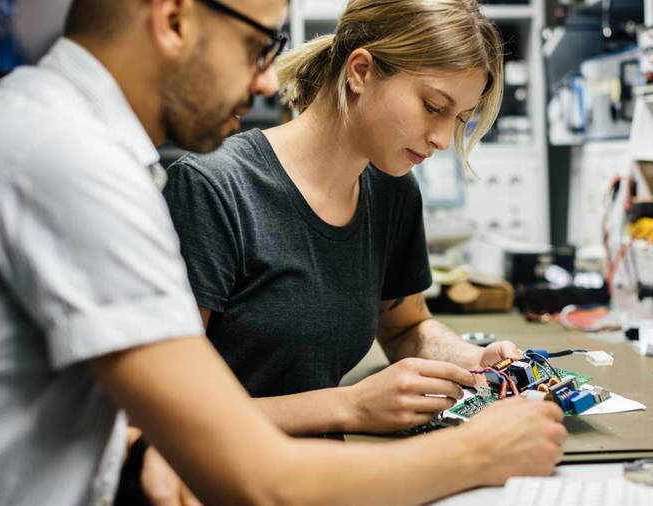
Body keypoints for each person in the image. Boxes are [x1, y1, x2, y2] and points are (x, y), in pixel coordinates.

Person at [0, 1, 566, 505]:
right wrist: (479, 451)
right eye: (257, 46)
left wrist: (465, 367)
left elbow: (146, 422)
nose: (267, 79)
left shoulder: (66, 143)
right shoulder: (65, 161)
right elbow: (260, 476)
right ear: (173, 20)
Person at [163, 0, 534, 435]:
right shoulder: (212, 188)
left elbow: (405, 327)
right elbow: (171, 409)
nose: (442, 140)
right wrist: (350, 406)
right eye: (433, 106)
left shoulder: (392, 191)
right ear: (361, 72)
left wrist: (469, 360)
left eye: (459, 119)